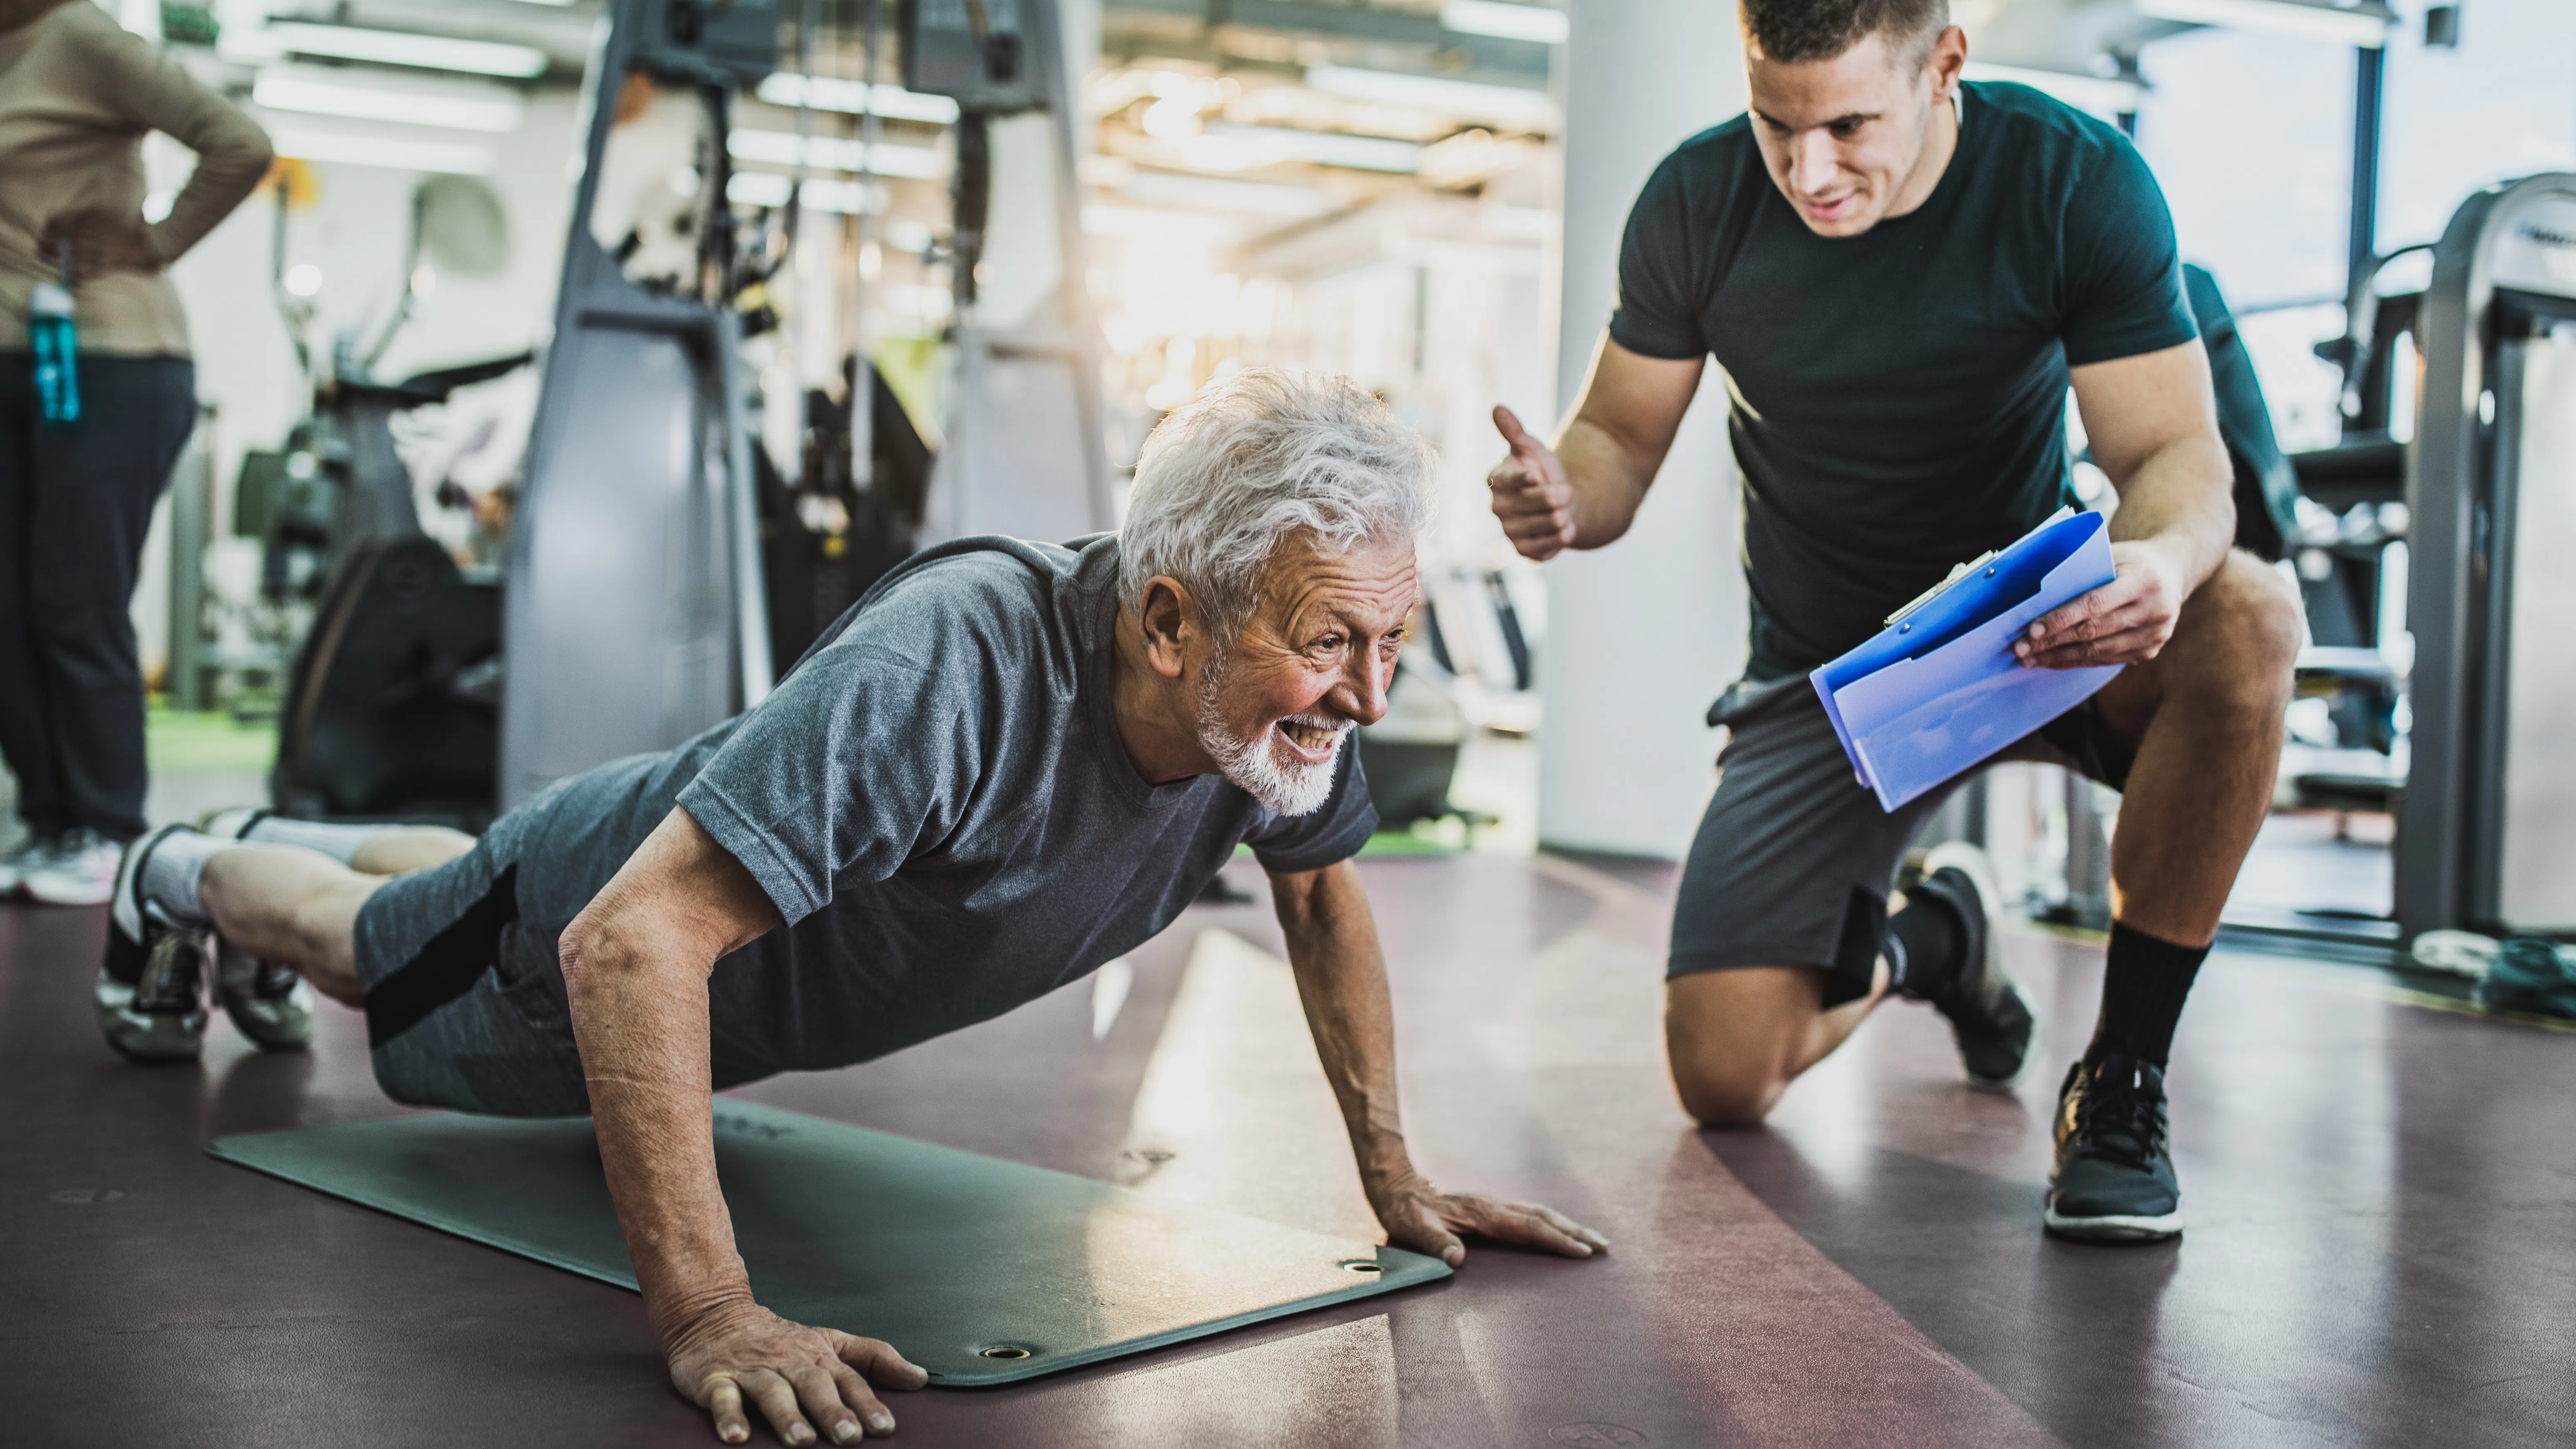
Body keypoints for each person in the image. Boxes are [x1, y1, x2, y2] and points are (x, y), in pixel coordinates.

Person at [107, 370, 1608, 1444]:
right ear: (1168, 622)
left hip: (626, 853)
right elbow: (629, 942)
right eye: (1332, 641)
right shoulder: (959, 668)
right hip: (584, 910)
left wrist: (1393, 1179)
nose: (1366, 692)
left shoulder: (1263, 730)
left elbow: (1324, 901)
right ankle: (176, 868)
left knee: (451, 874)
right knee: (360, 958)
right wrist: (708, 1318)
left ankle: (282, 842)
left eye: (1392, 639)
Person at [1486, 0, 2299, 1242]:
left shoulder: (2073, 179)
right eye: (1777, 125)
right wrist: (1560, 498)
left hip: (2042, 633)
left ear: (1946, 65)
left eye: (1851, 125)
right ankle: (1941, 938)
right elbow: (1613, 446)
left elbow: (2177, 450)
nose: (1811, 171)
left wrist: (2163, 562)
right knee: (1724, 1077)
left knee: (2244, 607)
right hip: (1832, 676)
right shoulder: (1696, 203)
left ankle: (2123, 1076)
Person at [0, 0, 271, 904]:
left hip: (107, 360)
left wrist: (152, 242)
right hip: (13, 363)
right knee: (10, 608)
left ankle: (112, 833)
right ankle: (51, 820)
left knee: (74, 597)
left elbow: (237, 141)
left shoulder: (80, 37)